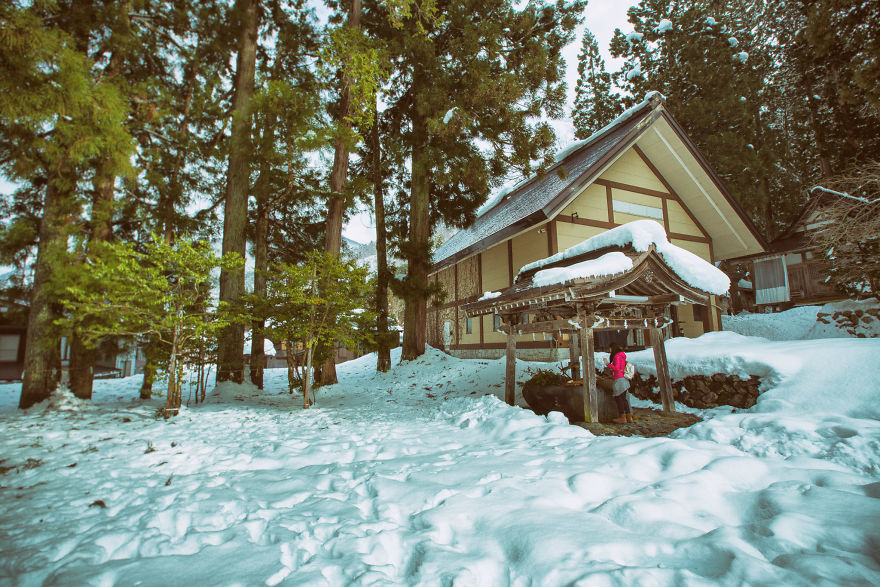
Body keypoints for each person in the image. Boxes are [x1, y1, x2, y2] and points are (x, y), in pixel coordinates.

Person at [603, 342, 633, 424]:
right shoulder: (621, 356)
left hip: (619, 380)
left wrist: (607, 364)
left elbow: (616, 368)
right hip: (623, 379)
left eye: (610, 348)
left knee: (619, 399)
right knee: (624, 399)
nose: (609, 350)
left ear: (613, 348)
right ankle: (629, 417)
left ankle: (622, 417)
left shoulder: (616, 356)